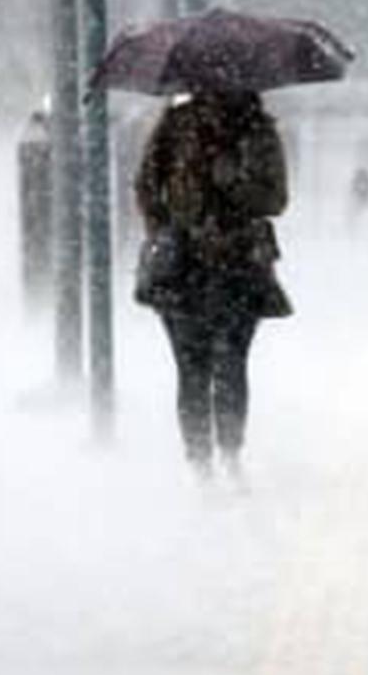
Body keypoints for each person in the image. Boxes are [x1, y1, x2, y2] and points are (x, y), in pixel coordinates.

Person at [134, 89, 291, 481]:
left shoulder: (258, 130)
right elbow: (146, 186)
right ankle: (200, 460)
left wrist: (234, 181)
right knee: (193, 367)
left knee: (231, 363)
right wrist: (167, 230)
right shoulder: (175, 127)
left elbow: (276, 199)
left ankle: (230, 453)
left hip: (239, 264)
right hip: (183, 268)